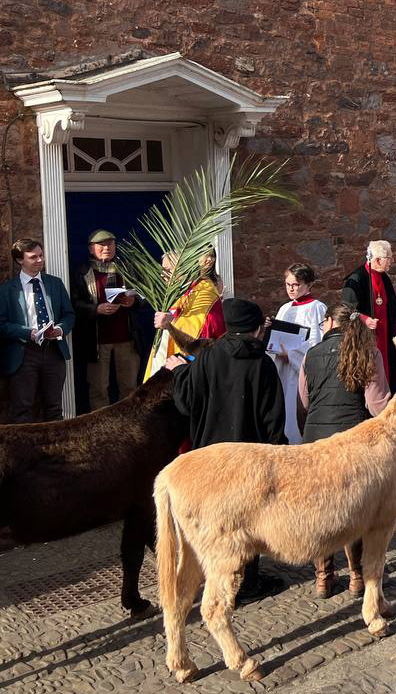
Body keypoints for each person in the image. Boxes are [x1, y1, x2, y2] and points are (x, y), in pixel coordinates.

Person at [168, 297, 285, 601]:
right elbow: (273, 417)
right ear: (258, 330)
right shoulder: (263, 364)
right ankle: (248, 581)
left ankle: (217, 575)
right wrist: (279, 452)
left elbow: (186, 402)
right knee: (250, 518)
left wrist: (179, 371)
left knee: (218, 519)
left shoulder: (208, 358)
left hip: (212, 454)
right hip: (251, 457)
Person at [297, 302, 390, 598]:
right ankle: (356, 577)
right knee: (354, 511)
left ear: (328, 324)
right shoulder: (368, 353)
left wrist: (308, 432)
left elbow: (304, 402)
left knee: (319, 511)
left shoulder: (311, 355)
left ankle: (323, 577)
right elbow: (377, 406)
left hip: (315, 441)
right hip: (352, 440)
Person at [70, 228, 149, 411]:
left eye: (110, 243)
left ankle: (129, 428)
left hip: (127, 339)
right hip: (97, 342)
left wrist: (134, 301)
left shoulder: (128, 269)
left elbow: (146, 295)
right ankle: (102, 432)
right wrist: (96, 309)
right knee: (98, 389)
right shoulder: (82, 272)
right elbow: (74, 304)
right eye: (101, 244)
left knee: (130, 387)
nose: (107, 247)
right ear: (91, 249)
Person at [0, 239, 74, 422]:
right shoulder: (7, 290)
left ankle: (58, 450)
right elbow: (2, 324)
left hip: (53, 352)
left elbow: (69, 315)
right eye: (33, 257)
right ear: (20, 260)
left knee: (54, 408)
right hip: (24, 354)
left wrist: (60, 329)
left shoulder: (55, 284)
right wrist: (28, 332)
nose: (40, 260)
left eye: (41, 255)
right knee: (22, 410)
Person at [144, 247, 225, 380]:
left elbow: (200, 328)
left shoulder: (204, 290)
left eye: (168, 270)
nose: (162, 275)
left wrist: (170, 322)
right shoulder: (183, 289)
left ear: (184, 268)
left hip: (191, 365)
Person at [271, 263, 326, 444]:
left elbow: (316, 343)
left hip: (300, 370)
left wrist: (292, 353)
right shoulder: (284, 309)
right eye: (288, 284)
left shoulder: (317, 308)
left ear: (308, 284)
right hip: (283, 369)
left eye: (296, 285)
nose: (291, 289)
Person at [341, 240, 396, 391]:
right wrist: (365, 319)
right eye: (389, 258)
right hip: (366, 337)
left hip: (385, 335)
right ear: (378, 260)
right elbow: (346, 309)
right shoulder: (356, 279)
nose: (392, 261)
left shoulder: (384, 277)